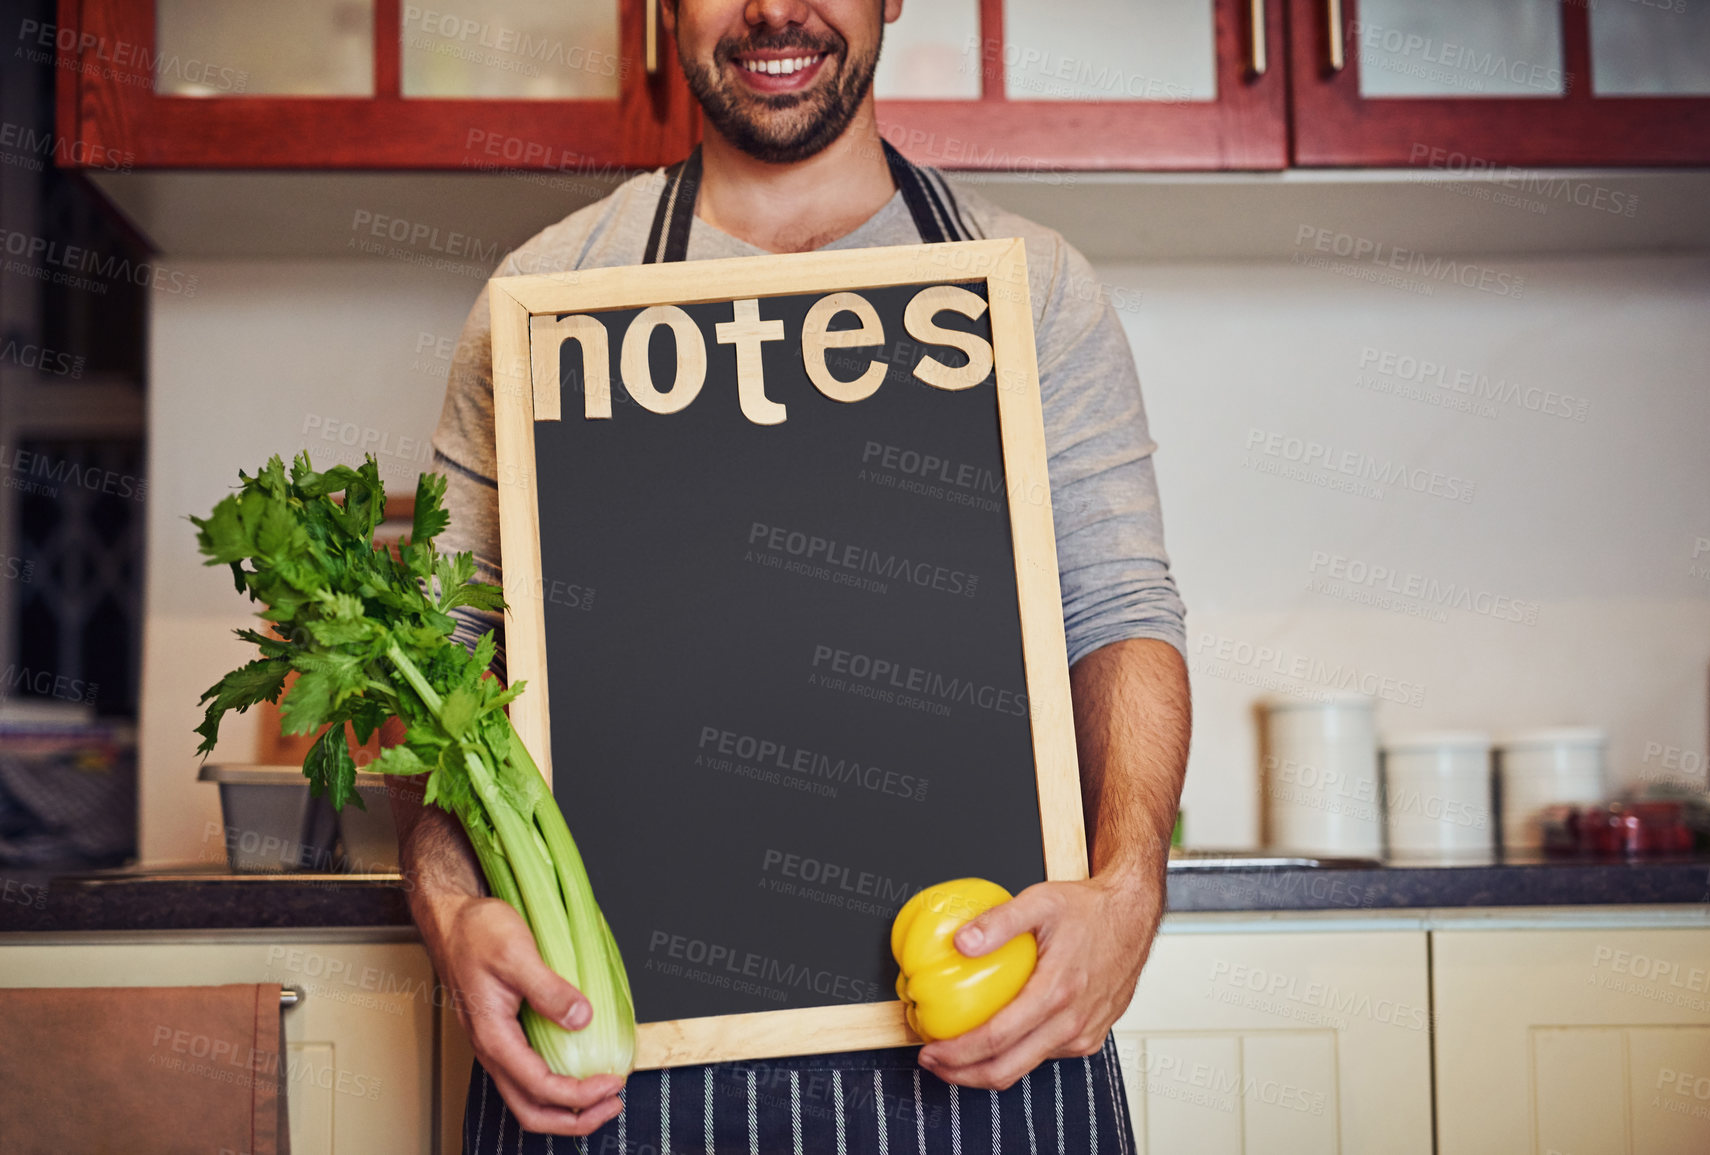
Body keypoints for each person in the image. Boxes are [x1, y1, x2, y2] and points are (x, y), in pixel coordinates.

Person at [392, 0, 1192, 1150]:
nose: (773, 7)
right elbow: (437, 667)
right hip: (619, 1062)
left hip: (991, 1032)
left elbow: (1119, 615)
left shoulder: (1036, 291)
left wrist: (1128, 893)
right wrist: (449, 911)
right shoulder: (542, 298)